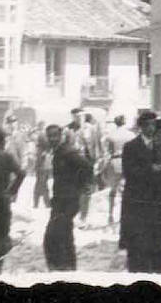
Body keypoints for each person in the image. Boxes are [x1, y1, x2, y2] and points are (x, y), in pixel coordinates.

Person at [120, 112, 161, 273]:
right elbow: (129, 172)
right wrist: (153, 169)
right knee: (138, 246)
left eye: (153, 125)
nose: (150, 128)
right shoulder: (130, 146)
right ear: (141, 127)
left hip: (159, 203)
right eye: (147, 125)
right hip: (138, 202)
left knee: (159, 245)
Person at [43, 123, 94, 271]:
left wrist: (83, 186)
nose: (52, 139)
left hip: (69, 200)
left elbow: (87, 166)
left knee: (54, 234)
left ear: (61, 136)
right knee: (64, 234)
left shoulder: (67, 152)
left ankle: (61, 266)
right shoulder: (59, 152)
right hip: (61, 199)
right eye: (49, 136)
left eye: (55, 135)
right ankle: (67, 266)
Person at [0, 128, 27, 273]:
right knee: (1, 236)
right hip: (2, 199)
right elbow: (22, 173)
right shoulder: (7, 156)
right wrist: (12, 191)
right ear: (3, 141)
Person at [104, 114, 136, 224]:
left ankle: (110, 214)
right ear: (124, 122)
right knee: (127, 190)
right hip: (128, 162)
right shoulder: (131, 135)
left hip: (114, 161)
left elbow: (108, 151)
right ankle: (126, 215)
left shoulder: (111, 135)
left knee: (112, 190)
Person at [32, 125, 54, 209]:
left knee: (39, 184)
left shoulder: (40, 149)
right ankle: (46, 203)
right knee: (42, 184)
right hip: (42, 167)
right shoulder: (41, 150)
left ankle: (36, 203)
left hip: (42, 167)